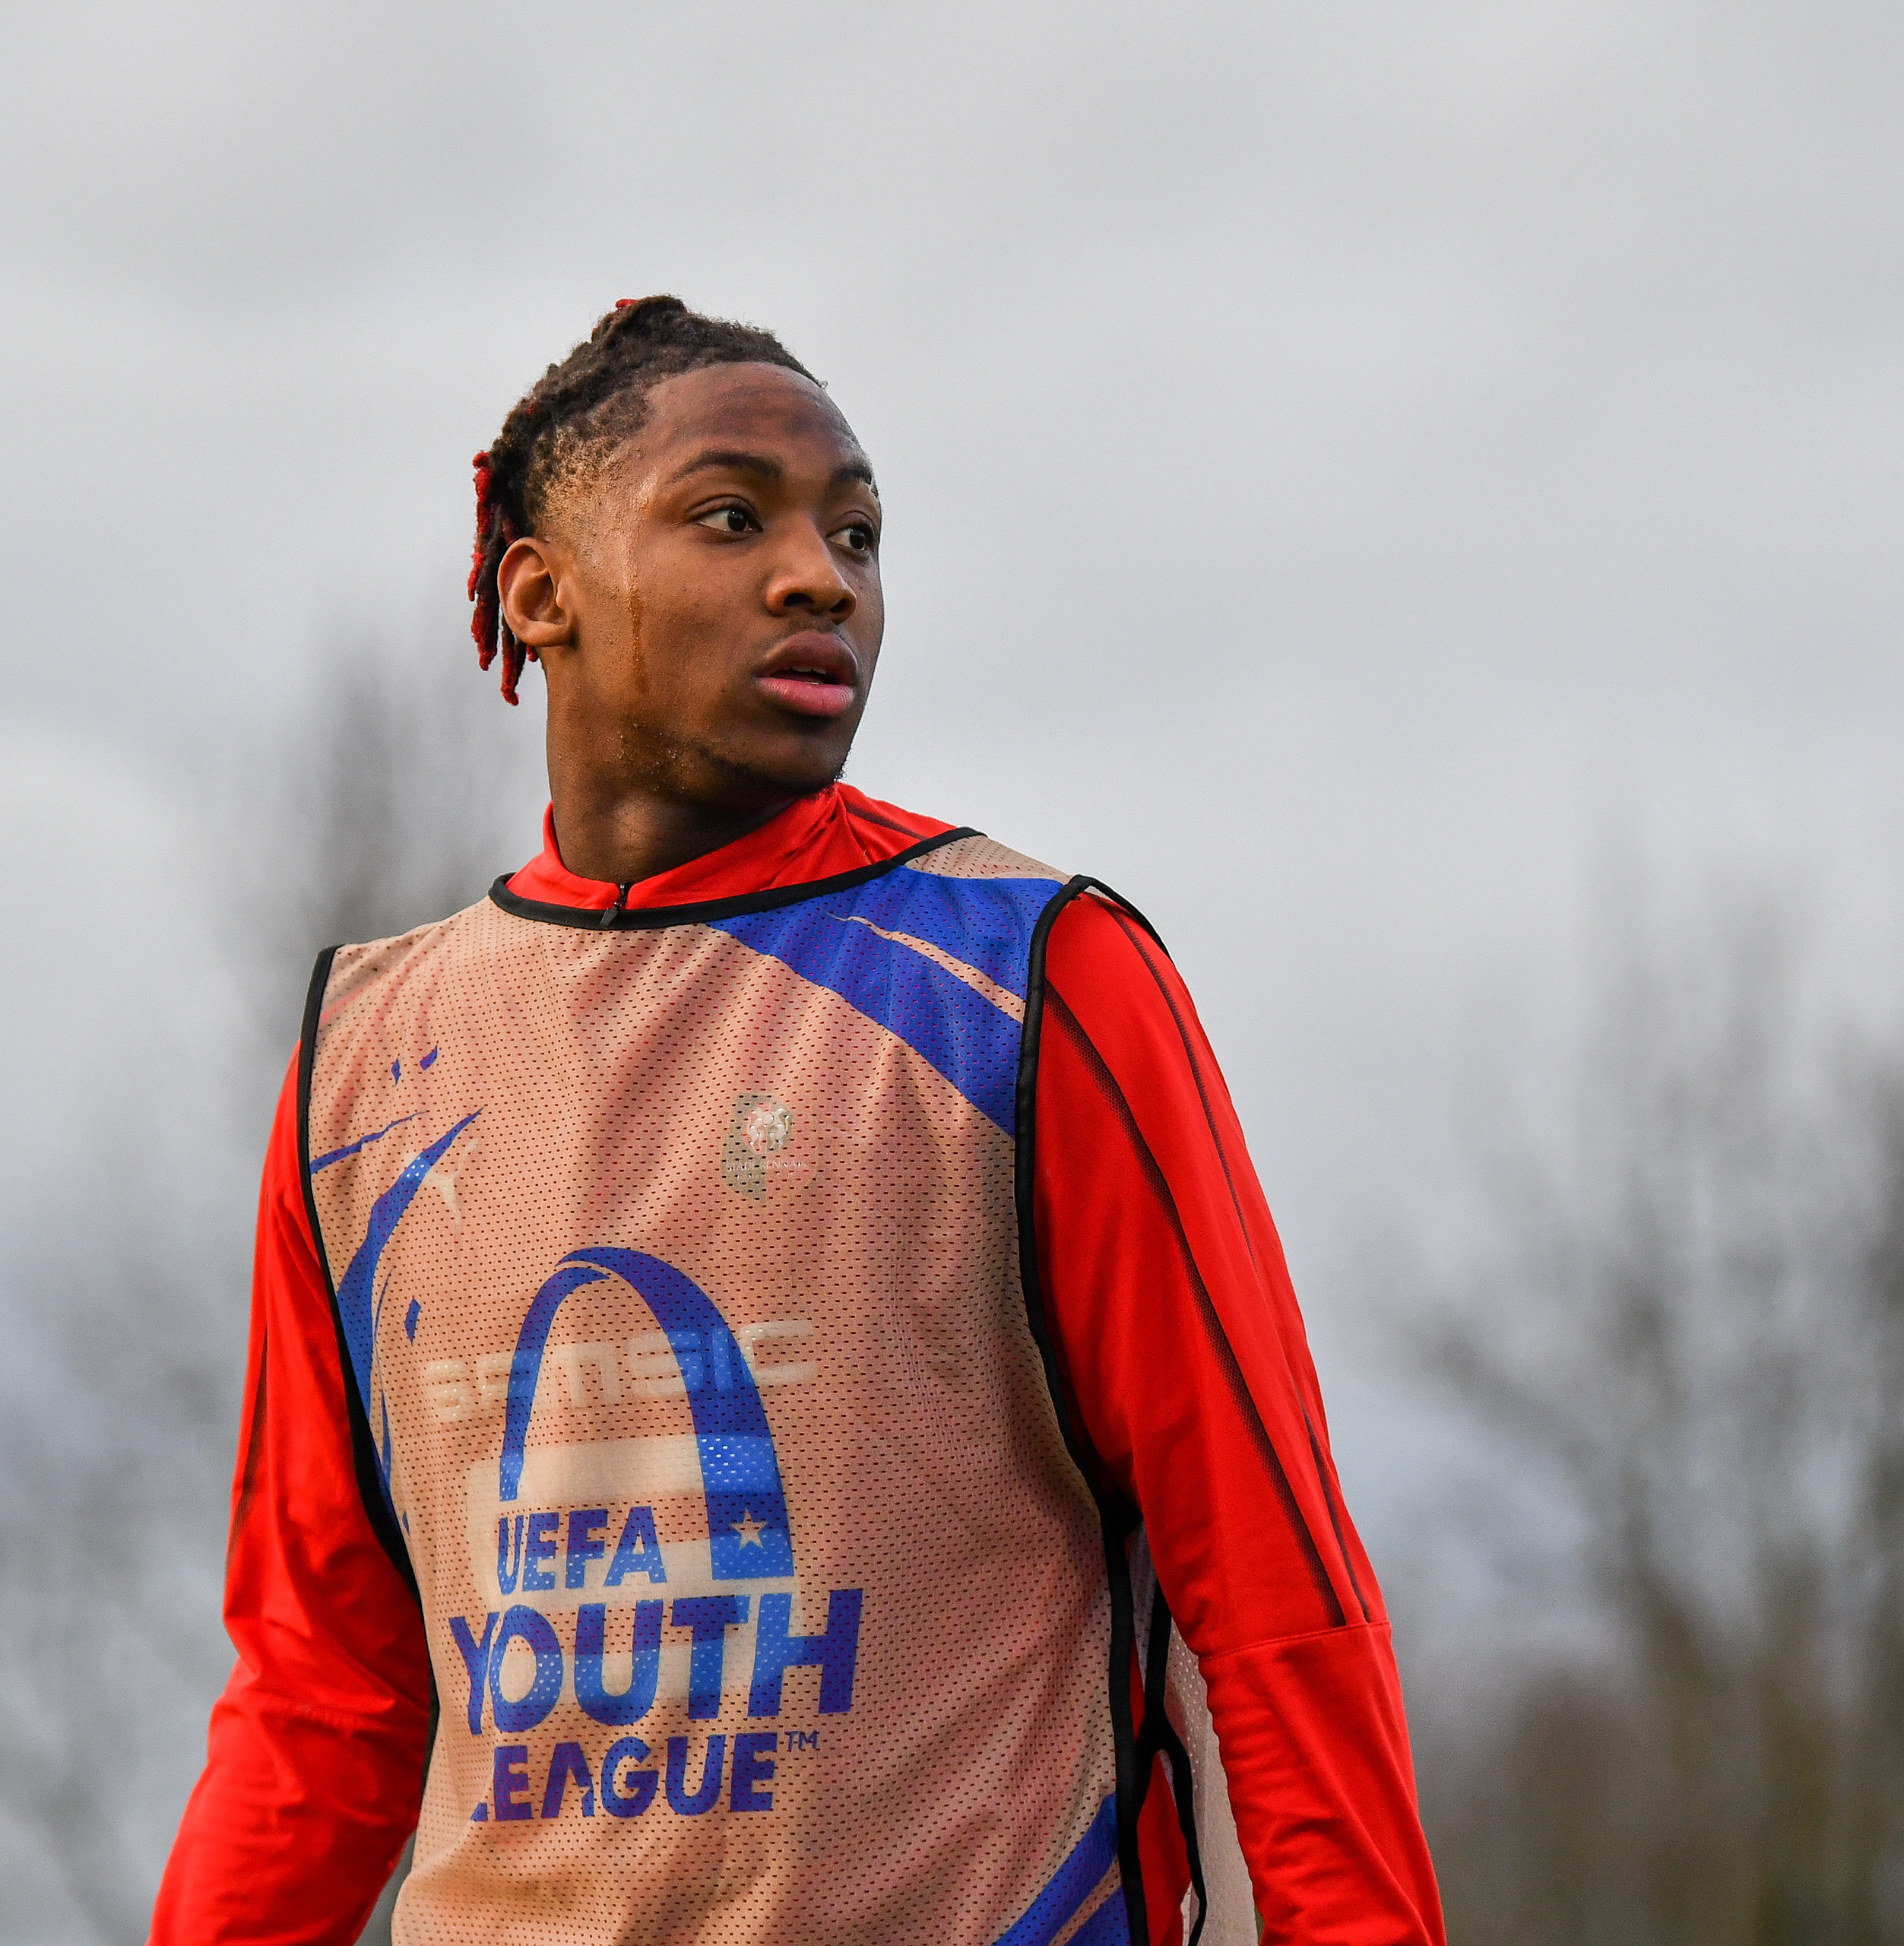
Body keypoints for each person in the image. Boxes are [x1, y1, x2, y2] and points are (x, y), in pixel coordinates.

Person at [149, 297, 1443, 1945]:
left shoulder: (1038, 978)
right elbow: (322, 1687)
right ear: (536, 592)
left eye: (857, 533)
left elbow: (1275, 1594)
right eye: (730, 515)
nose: (821, 577)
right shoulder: (365, 1057)